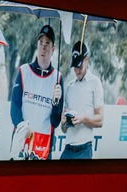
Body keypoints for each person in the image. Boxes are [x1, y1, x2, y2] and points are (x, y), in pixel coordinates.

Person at [9, 24, 64, 160]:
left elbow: (55, 122)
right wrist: (23, 130)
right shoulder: (24, 71)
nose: (43, 47)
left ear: (53, 49)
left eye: (47, 43)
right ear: (37, 45)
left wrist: (56, 103)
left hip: (44, 145)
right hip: (22, 141)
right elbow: (14, 108)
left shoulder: (58, 77)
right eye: (41, 43)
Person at [60, 41, 103, 160]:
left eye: (80, 66)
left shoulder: (95, 83)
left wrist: (83, 118)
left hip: (84, 149)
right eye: (75, 66)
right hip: (68, 148)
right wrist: (63, 122)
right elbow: (64, 130)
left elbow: (100, 120)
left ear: (87, 59)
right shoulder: (69, 87)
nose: (77, 70)